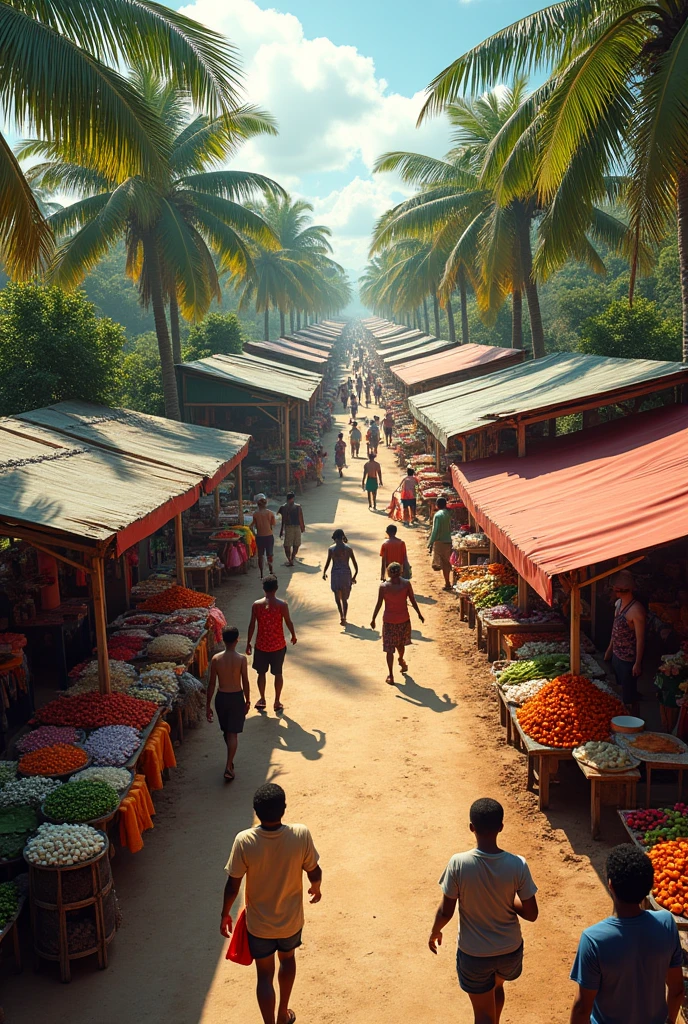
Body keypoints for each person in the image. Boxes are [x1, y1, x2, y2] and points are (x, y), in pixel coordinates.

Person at [429, 798, 539, 1024]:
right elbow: (531, 913)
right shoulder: (517, 864)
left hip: (475, 956)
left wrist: (435, 931)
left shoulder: (458, 863)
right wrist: (509, 901)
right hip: (509, 952)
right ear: (501, 827)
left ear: (471, 827)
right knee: (496, 988)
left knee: (482, 1014)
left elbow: (446, 911)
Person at [221, 784, 322, 1024]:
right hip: (290, 921)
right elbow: (314, 871)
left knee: (264, 975)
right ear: (284, 809)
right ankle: (282, 1014)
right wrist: (315, 888)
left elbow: (232, 886)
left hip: (259, 926)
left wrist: (225, 914)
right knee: (287, 960)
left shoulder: (244, 840)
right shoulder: (300, 834)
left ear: (256, 810)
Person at [569, 844, 683, 1024]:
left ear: (610, 885)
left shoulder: (593, 940)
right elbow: (677, 990)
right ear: (649, 888)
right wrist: (669, 1021)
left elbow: (582, 1008)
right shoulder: (667, 924)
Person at [246, 575, 297, 713]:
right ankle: (277, 701)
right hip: (278, 645)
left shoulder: (256, 605)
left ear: (264, 588)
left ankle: (262, 699)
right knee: (278, 673)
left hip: (261, 645)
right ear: (276, 588)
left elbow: (252, 625)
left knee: (261, 673)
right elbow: (288, 621)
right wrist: (293, 635)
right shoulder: (282, 605)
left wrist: (248, 643)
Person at [206, 626, 251, 781]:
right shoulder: (241, 659)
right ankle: (229, 765)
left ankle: (229, 764)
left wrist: (208, 705)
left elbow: (211, 684)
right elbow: (245, 681)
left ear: (223, 640)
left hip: (222, 698)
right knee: (232, 733)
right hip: (236, 697)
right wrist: (248, 699)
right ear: (237, 640)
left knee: (227, 731)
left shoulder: (216, 659)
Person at [370, 561, 424, 684]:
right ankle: (401, 659)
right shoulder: (406, 584)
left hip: (389, 621)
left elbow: (379, 603)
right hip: (403, 620)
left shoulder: (384, 587)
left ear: (388, 572)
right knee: (400, 644)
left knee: (389, 648)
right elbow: (412, 600)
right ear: (401, 571)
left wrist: (373, 618)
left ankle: (390, 675)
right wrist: (419, 614)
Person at [604, 570, 646, 712]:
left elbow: (641, 639)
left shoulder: (636, 610)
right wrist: (610, 649)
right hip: (617, 655)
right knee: (620, 688)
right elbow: (614, 629)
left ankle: (635, 717)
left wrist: (637, 663)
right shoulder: (618, 604)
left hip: (628, 660)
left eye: (616, 589)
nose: (614, 592)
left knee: (629, 696)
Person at [322, 529, 359, 626]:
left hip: (335, 574)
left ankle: (341, 615)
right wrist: (354, 576)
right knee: (344, 599)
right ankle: (345, 616)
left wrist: (324, 572)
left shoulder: (331, 549)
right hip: (346, 574)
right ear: (343, 537)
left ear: (334, 538)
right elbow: (355, 565)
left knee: (337, 597)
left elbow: (328, 562)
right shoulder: (348, 549)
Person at [428, 496, 453, 590]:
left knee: (442, 563)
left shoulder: (438, 515)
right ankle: (448, 582)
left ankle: (447, 583)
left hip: (440, 541)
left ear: (437, 505)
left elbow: (435, 530)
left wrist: (430, 542)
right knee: (447, 562)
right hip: (448, 540)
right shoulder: (447, 513)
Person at [277, 492, 305, 567]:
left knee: (287, 545)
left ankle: (290, 560)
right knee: (296, 544)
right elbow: (300, 518)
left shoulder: (283, 507)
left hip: (288, 527)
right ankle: (292, 558)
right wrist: (302, 527)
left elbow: (282, 520)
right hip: (297, 527)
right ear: (293, 498)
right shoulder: (298, 507)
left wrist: (281, 530)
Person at [252, 494, 276, 578]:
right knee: (269, 554)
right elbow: (273, 524)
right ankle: (271, 570)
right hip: (269, 536)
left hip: (259, 536)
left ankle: (261, 573)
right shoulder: (270, 513)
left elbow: (253, 525)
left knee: (260, 556)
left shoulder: (255, 514)